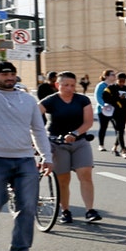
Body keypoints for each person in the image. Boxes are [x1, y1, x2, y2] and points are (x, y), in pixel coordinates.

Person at [0, 48, 53, 251]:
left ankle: (21, 248)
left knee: (28, 206)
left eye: (11, 74)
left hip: (24, 159)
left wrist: (46, 156)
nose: (9, 77)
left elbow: (38, 130)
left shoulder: (27, 99)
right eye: (3, 74)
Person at [39, 71, 100, 224]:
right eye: (65, 85)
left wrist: (75, 132)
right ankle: (65, 210)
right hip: (57, 144)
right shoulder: (50, 101)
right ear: (57, 85)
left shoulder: (82, 100)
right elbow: (32, 117)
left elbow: (88, 122)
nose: (69, 88)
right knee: (63, 178)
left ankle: (89, 210)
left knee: (85, 173)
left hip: (79, 141)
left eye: (72, 85)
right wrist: (38, 137)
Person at [107, 72, 126, 157]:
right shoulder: (111, 88)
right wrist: (117, 100)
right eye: (120, 81)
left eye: (123, 81)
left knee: (121, 129)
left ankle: (115, 146)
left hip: (125, 112)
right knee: (120, 130)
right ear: (116, 80)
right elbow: (105, 97)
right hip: (115, 112)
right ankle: (123, 150)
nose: (121, 83)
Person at [94, 69, 117, 151]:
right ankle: (101, 145)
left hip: (113, 110)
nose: (115, 76)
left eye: (115, 75)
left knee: (117, 127)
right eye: (112, 75)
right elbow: (98, 96)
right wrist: (103, 105)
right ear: (106, 76)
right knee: (103, 127)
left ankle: (116, 145)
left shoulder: (114, 86)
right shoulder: (101, 85)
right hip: (103, 110)